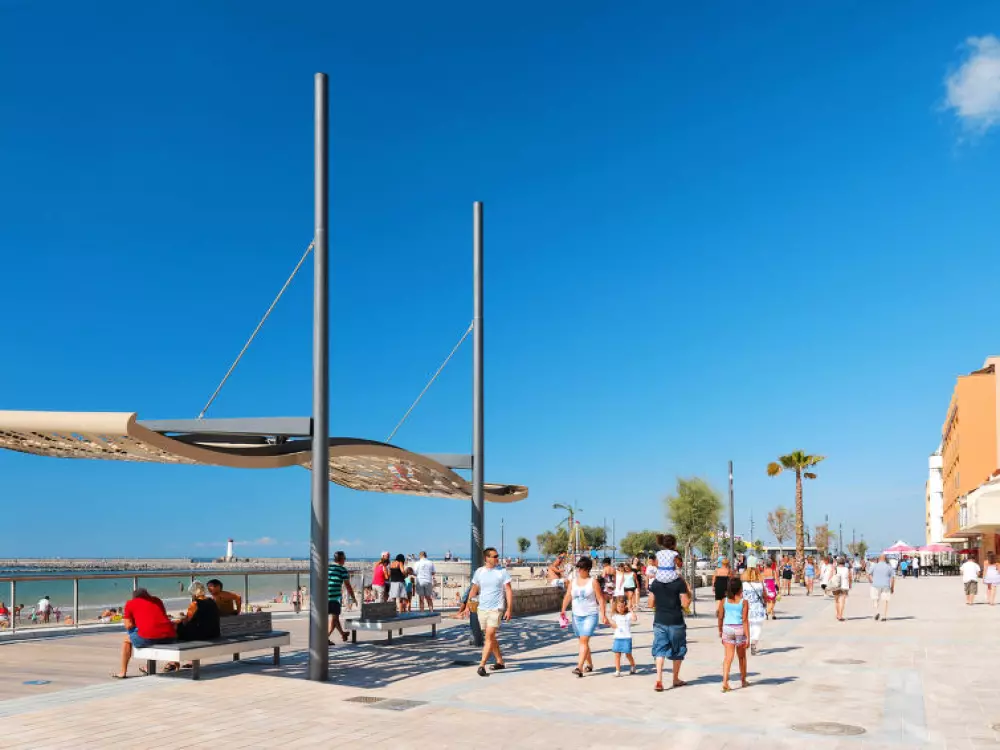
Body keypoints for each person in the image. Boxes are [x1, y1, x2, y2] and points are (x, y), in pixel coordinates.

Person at [560, 556, 609, 677]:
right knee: (583, 642)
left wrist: (603, 615)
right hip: (576, 616)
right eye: (578, 568)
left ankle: (579, 667)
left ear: (587, 569)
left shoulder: (593, 582)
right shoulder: (573, 581)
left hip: (590, 615)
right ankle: (590, 664)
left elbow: (601, 599)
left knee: (584, 640)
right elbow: (568, 596)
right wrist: (563, 610)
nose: (578, 570)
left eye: (581, 568)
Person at [467, 547, 513, 676]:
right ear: (487, 558)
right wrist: (467, 605)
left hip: (496, 609)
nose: (497, 558)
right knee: (491, 637)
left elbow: (508, 590)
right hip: (482, 609)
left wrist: (509, 609)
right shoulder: (479, 572)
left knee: (489, 636)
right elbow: (474, 589)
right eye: (494, 556)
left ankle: (482, 665)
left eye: (497, 556)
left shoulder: (502, 572)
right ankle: (500, 661)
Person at [110, 588, 176, 679]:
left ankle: (122, 672)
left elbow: (128, 625)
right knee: (151, 633)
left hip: (150, 636)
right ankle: (149, 666)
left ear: (134, 597)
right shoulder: (157, 600)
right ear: (148, 594)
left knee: (127, 640)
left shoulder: (130, 603)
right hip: (169, 636)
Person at [648, 568, 692, 692]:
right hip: (676, 621)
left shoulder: (655, 583)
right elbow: (686, 604)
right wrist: (687, 589)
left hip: (660, 620)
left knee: (660, 650)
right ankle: (675, 678)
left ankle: (658, 680)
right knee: (678, 650)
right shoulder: (679, 583)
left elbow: (650, 603)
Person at [164, 580, 221, 673]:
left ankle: (174, 661)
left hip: (201, 635)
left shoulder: (195, 604)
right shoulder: (212, 601)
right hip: (213, 633)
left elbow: (187, 620)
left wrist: (178, 621)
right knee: (179, 628)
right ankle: (178, 661)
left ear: (194, 593)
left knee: (174, 629)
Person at [718, 577, 749, 692]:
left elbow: (720, 617)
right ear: (740, 588)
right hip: (739, 629)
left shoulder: (724, 601)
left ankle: (725, 682)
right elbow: (745, 620)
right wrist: (748, 637)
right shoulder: (744, 602)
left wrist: (720, 630)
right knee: (741, 657)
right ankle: (743, 680)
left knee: (728, 657)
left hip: (727, 628)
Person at [328, 550, 357, 644]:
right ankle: (324, 638)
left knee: (334, 618)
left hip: (323, 597)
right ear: (341, 559)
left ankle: (343, 634)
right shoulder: (342, 569)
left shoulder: (328, 567)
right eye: (344, 558)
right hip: (335, 598)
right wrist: (353, 597)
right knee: (334, 618)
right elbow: (348, 585)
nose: (345, 560)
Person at [741, 568, 767, 655]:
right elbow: (764, 595)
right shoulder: (760, 584)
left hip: (746, 607)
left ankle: (747, 641)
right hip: (758, 608)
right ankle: (753, 644)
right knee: (757, 627)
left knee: (747, 625)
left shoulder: (744, 584)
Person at [610, 596, 638, 677]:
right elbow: (613, 624)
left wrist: (631, 609)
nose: (620, 608)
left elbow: (634, 618)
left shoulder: (628, 615)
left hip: (627, 638)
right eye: (618, 606)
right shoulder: (615, 615)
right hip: (618, 637)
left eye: (622, 606)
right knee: (617, 654)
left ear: (625, 606)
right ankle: (617, 671)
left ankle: (633, 665)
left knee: (628, 654)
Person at [869, 553, 895, 622]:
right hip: (886, 585)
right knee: (885, 600)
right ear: (885, 559)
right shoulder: (889, 567)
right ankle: (884, 616)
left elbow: (868, 574)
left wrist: (871, 581)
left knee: (875, 599)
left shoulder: (874, 566)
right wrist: (892, 587)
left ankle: (877, 612)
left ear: (879, 559)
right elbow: (892, 578)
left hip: (875, 585)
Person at [831, 556, 852, 621]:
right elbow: (850, 578)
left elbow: (833, 577)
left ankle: (837, 614)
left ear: (837, 562)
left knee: (837, 601)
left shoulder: (835, 569)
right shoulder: (847, 569)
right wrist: (850, 585)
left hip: (836, 586)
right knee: (842, 601)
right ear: (844, 563)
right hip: (845, 586)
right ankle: (840, 615)